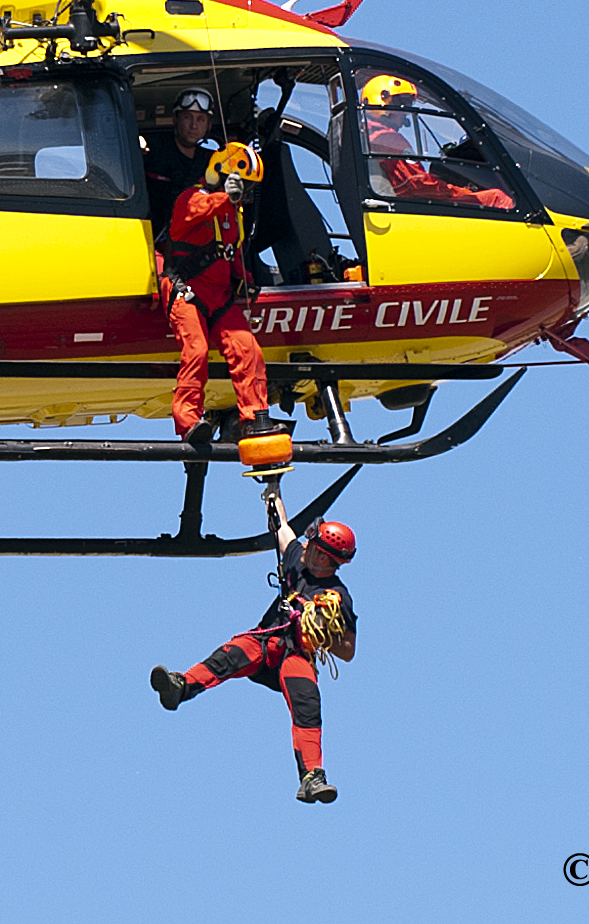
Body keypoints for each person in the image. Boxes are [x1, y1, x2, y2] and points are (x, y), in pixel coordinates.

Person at [149, 514, 361, 803]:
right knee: (233, 653)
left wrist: (323, 631)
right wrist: (272, 488)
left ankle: (312, 777)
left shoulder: (338, 595)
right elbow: (283, 532)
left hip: (296, 655)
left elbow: (348, 650)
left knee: (307, 703)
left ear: (324, 557)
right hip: (267, 642)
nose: (306, 546)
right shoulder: (298, 563)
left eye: (313, 545)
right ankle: (180, 686)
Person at [158, 130, 273, 444]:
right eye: (240, 184)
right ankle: (188, 422)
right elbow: (200, 209)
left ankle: (254, 419)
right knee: (195, 351)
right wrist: (227, 197)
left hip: (220, 296)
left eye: (248, 188)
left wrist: (246, 282)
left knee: (248, 351)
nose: (245, 193)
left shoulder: (232, 215)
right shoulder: (190, 199)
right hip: (187, 291)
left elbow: (231, 253)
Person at [360, 73, 514, 210]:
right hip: (416, 207)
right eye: (403, 104)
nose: (406, 114)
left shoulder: (370, 136)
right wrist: (461, 191)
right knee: (497, 198)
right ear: (385, 102)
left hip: (408, 205)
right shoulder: (387, 138)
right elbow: (418, 184)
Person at [145, 87, 223, 229]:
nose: (194, 126)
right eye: (187, 117)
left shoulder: (214, 161)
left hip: (197, 240)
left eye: (201, 119)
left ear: (208, 125)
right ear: (175, 119)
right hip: (153, 236)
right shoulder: (155, 148)